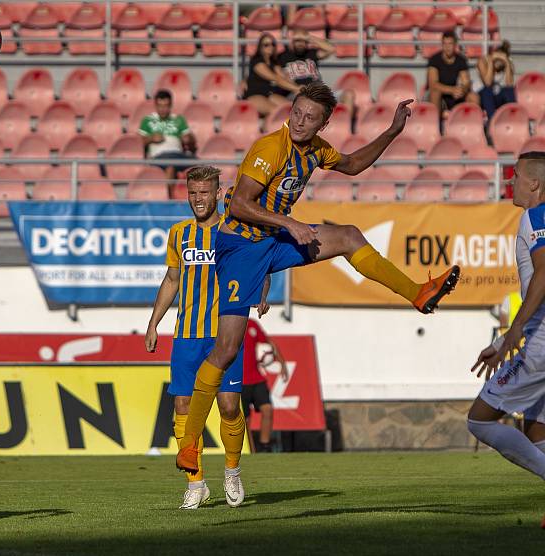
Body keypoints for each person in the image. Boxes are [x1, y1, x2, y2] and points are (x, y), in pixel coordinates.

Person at [175, 81, 461, 475]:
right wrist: (291, 224)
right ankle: (190, 443)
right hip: (238, 247)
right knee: (226, 350)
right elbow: (240, 204)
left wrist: (393, 131)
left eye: (310, 117)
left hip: (272, 239)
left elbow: (354, 165)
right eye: (296, 112)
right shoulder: (269, 148)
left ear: (324, 124)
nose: (299, 121)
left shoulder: (317, 151)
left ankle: (418, 293)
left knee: (348, 237)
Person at [146, 166, 269, 509]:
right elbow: (172, 280)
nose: (198, 199)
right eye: (192, 193)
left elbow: (257, 266)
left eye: (204, 193)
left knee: (229, 406)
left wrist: (261, 290)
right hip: (186, 336)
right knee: (183, 406)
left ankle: (232, 470)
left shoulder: (234, 232)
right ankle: (195, 482)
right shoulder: (179, 234)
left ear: (217, 193)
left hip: (223, 334)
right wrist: (154, 322)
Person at [468, 152, 545, 522]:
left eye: (516, 177)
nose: (510, 182)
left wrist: (513, 331)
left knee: (479, 420)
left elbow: (544, 274)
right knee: (535, 430)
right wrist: (504, 341)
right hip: (536, 337)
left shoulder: (536, 215)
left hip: (541, 342)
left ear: (535, 184)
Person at [242, 317, 288, 453]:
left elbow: (269, 343)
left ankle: (265, 446)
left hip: (256, 378)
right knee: (245, 420)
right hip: (239, 381)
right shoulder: (225, 325)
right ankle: (250, 450)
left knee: (267, 409)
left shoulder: (251, 324)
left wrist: (282, 363)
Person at [138, 90, 197, 181]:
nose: (162, 109)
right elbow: (137, 143)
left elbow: (191, 138)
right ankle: (169, 194)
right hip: (159, 156)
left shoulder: (178, 119)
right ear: (155, 105)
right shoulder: (147, 120)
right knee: (170, 167)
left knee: (202, 165)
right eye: (160, 106)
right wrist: (150, 139)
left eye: (166, 106)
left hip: (178, 154)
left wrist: (188, 138)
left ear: (170, 105)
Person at [243, 33, 301, 116]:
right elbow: (276, 79)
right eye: (266, 45)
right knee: (277, 112)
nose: (270, 47)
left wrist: (299, 89)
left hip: (269, 94)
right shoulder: (256, 61)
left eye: (273, 44)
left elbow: (284, 78)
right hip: (255, 95)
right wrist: (297, 88)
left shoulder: (274, 62)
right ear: (260, 47)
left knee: (292, 109)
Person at [427, 31, 479, 117]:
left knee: (473, 97)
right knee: (435, 93)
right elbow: (433, 84)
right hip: (440, 96)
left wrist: (462, 90)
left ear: (455, 45)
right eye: (445, 44)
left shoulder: (461, 60)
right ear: (442, 45)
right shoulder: (434, 60)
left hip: (455, 96)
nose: (447, 47)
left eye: (450, 44)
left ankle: (471, 125)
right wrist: (452, 90)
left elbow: (466, 82)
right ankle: (435, 127)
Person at [476, 40, 515, 121]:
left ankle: (512, 119)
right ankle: (493, 121)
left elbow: (509, 85)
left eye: (501, 60)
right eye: (497, 59)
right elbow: (488, 83)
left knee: (511, 91)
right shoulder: (483, 61)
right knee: (487, 91)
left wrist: (507, 63)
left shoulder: (508, 64)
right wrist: (491, 62)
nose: (498, 63)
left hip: (497, 96)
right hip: (482, 96)